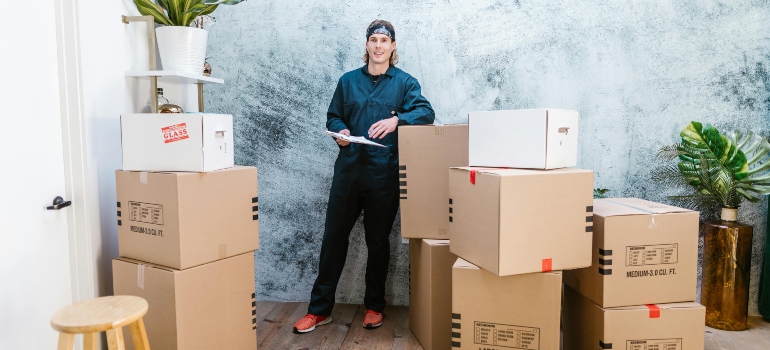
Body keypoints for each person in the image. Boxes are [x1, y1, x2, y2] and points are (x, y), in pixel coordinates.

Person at [293, 19, 435, 334]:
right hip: (348, 172)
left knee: (378, 241)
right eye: (374, 40)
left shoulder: (405, 83)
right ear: (367, 45)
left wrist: (398, 120)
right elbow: (334, 115)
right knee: (333, 238)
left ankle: (373, 306)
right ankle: (319, 311)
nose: (379, 46)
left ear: (393, 46)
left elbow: (426, 112)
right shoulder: (347, 82)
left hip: (383, 174)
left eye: (385, 40)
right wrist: (340, 131)